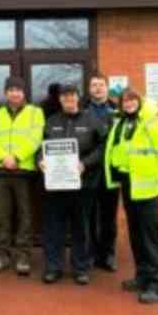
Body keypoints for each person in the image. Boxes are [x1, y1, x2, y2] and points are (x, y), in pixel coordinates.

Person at [105, 88, 158, 304]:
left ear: (140, 101)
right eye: (124, 101)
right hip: (130, 186)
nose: (128, 104)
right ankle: (143, 276)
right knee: (136, 235)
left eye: (132, 100)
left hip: (148, 188)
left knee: (151, 237)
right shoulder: (123, 123)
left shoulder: (156, 123)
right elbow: (119, 151)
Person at [39, 84, 106, 286]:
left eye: (72, 96)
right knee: (54, 228)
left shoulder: (92, 120)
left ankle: (81, 268)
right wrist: (39, 160)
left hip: (83, 185)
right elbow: (40, 147)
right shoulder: (51, 122)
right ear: (60, 100)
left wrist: (85, 164)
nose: (68, 99)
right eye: (65, 96)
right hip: (56, 186)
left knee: (81, 227)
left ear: (78, 98)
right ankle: (53, 268)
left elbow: (103, 147)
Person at [0, 77, 45, 276]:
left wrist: (17, 156)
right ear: (6, 93)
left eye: (18, 90)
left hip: (24, 170)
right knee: (0, 214)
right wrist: (4, 157)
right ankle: (2, 254)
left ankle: (23, 255)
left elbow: (36, 138)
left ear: (24, 93)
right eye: (11, 90)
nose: (14, 93)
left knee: (25, 214)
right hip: (1, 170)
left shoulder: (35, 113)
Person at [83, 73, 119, 272]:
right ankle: (89, 255)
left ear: (107, 88)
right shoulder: (82, 110)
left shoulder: (118, 111)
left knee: (108, 217)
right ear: (89, 89)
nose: (97, 89)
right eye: (94, 85)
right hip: (88, 171)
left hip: (110, 172)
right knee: (88, 215)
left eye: (101, 85)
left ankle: (108, 255)